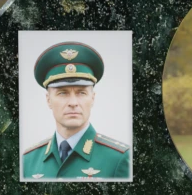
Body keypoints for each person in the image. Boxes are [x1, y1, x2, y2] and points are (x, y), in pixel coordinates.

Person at [22, 42, 130, 180]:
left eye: (81, 93)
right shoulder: (28, 162)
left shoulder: (118, 159)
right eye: (62, 93)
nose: (73, 103)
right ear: (48, 100)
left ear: (92, 98)